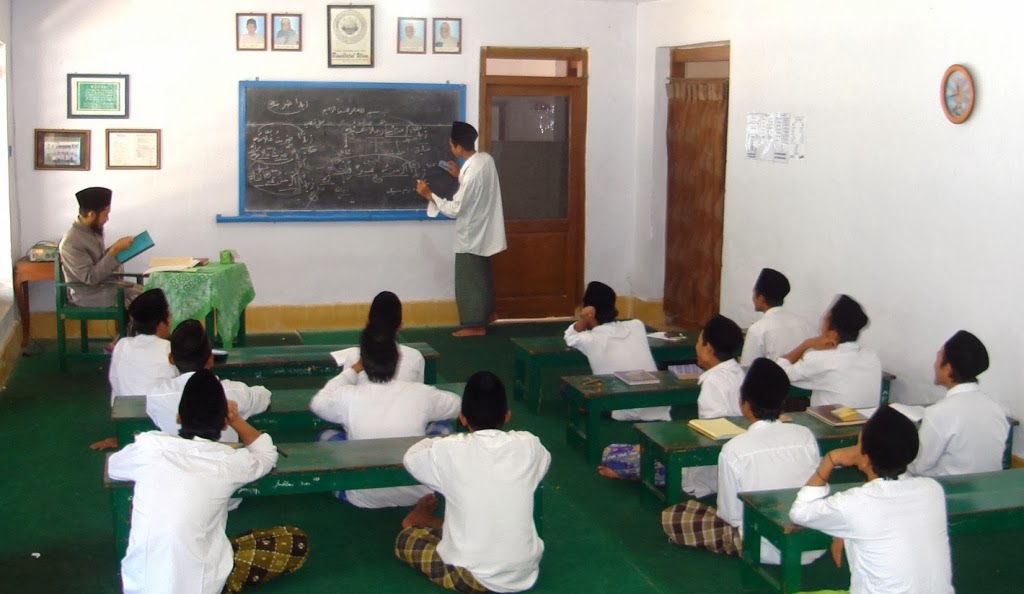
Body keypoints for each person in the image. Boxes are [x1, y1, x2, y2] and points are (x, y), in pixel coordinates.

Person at [108, 370, 308, 594]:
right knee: (293, 540)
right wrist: (237, 419)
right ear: (224, 424)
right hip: (202, 587)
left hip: (139, 586)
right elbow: (266, 454)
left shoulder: (149, 448)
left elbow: (114, 467)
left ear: (178, 418)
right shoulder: (228, 462)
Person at [397, 371, 550, 593]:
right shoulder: (530, 445)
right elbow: (542, 464)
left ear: (463, 418)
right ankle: (433, 525)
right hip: (525, 569)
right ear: (507, 415)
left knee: (406, 539)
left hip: (472, 576)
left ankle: (421, 523)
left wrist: (441, 441)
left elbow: (411, 458)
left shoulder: (448, 449)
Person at [661, 358, 824, 565]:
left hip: (761, 545)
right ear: (783, 402)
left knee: (674, 516)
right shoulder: (805, 435)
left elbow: (730, 516)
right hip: (811, 542)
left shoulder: (734, 449)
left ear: (744, 404)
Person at [789, 406, 953, 594]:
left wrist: (830, 460)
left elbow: (799, 512)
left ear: (866, 458)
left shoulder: (856, 503)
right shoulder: (932, 490)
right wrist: (842, 530)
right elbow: (889, 520)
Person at [310, 323, 462, 508]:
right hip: (422, 492)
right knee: (443, 427)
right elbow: (457, 405)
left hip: (361, 496)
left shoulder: (347, 395)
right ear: (398, 358)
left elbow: (318, 403)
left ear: (363, 361)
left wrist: (352, 370)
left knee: (324, 436)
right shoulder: (422, 393)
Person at [415, 121, 506, 337]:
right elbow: (475, 186)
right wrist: (459, 175)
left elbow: (456, 209)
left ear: (456, 146)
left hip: (471, 234)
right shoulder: (484, 160)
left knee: (469, 280)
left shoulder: (472, 171)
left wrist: (429, 195)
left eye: (451, 145)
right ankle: (488, 314)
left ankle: (475, 325)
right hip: (483, 231)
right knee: (482, 276)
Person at [147, 319, 270, 443]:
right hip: (226, 460)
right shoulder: (233, 391)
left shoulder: (156, 396)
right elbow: (264, 397)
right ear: (211, 359)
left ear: (171, 359)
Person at [565, 281, 670, 422]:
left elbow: (569, 336)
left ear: (588, 310)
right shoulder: (636, 325)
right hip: (659, 405)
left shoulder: (589, 339)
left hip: (626, 410)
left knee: (567, 387)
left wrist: (584, 320)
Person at [908, 330, 1009, 477]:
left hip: (950, 493)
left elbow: (918, 466)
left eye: (938, 358)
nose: (934, 365)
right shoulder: (996, 408)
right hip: (990, 489)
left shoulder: (939, 413)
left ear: (948, 369)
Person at [89, 288, 180, 450]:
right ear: (161, 323)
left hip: (127, 417)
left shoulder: (122, 345)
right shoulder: (169, 348)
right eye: (169, 315)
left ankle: (125, 436)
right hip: (163, 419)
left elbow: (116, 386)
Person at [777, 294, 882, 408]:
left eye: (824, 320)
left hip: (830, 425)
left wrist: (806, 344)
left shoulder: (820, 359)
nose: (821, 325)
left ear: (833, 334)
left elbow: (778, 374)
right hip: (868, 424)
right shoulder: (872, 357)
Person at [58, 186, 140, 307]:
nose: (107, 219)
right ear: (91, 214)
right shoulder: (71, 242)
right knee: (145, 301)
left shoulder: (91, 230)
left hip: (106, 286)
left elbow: (99, 261)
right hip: (89, 295)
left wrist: (118, 248)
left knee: (150, 293)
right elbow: (90, 278)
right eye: (105, 214)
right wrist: (115, 250)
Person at [331, 291, 426, 383]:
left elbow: (339, 390)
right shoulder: (416, 357)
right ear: (400, 326)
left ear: (368, 323)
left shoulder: (353, 359)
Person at [739, 268, 812, 365]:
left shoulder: (758, 330)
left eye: (754, 293)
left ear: (761, 298)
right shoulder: (804, 324)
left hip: (774, 380)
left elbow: (748, 370)